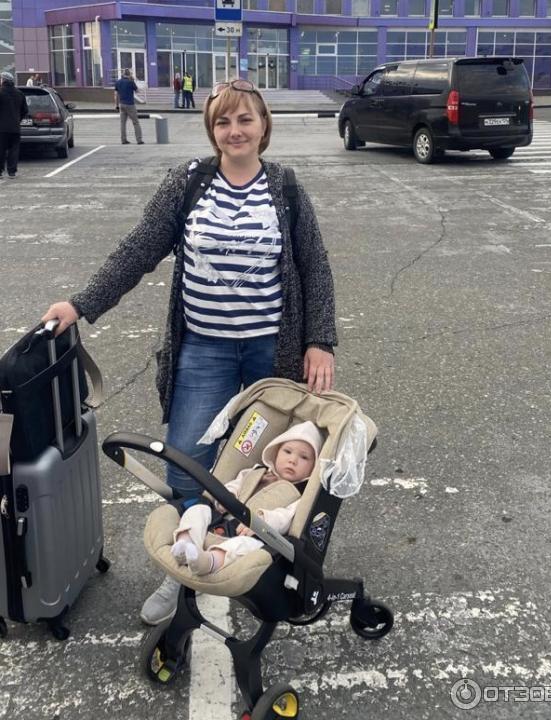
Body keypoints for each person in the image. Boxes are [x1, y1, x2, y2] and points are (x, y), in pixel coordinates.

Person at [41, 78, 336, 624]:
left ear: (263, 126)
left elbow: (314, 266)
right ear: (211, 130)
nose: (234, 131)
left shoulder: (286, 188)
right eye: (223, 122)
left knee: (270, 467)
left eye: (245, 119)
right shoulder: (188, 182)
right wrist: (81, 304)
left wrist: (320, 341)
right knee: (186, 464)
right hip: (203, 351)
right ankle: (182, 573)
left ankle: (256, 561)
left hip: (272, 355)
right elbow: (138, 249)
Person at [171, 421, 322, 575]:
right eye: (287, 451)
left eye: (304, 457)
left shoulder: (298, 496)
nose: (293, 460)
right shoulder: (255, 471)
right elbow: (235, 485)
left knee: (247, 546)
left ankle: (209, 562)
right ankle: (185, 544)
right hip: (219, 519)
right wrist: (228, 496)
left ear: (313, 467)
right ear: (276, 452)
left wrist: (263, 520)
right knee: (198, 509)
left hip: (249, 534)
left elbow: (285, 518)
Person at [0, 72, 28, 179]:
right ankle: (12, 172)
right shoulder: (19, 93)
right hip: (15, 127)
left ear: (3, 80)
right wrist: (18, 119)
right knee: (14, 150)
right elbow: (25, 110)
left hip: (1, 128)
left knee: (1, 149)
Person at [114, 68, 143, 145]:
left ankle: (123, 140)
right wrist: (133, 81)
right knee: (135, 122)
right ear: (129, 74)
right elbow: (138, 91)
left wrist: (116, 106)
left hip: (121, 105)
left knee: (123, 123)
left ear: (123, 74)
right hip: (130, 105)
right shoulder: (131, 82)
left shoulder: (118, 82)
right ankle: (139, 140)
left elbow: (116, 95)